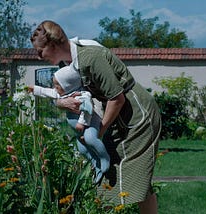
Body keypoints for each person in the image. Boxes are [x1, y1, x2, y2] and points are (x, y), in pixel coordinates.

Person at [30, 20, 161, 213]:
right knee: (128, 178)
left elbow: (117, 98)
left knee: (118, 174)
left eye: (40, 51)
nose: (39, 57)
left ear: (53, 45)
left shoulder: (90, 57)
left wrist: (100, 131)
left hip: (137, 115)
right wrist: (60, 102)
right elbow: (64, 95)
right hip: (119, 116)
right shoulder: (70, 64)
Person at [28, 65, 110, 185]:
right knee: (82, 149)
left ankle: (104, 158)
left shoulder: (82, 95)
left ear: (69, 85)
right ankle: (95, 163)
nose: (55, 88)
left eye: (58, 85)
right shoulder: (62, 94)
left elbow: (88, 109)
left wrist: (82, 122)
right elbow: (47, 92)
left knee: (90, 139)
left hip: (90, 124)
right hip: (79, 130)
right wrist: (34, 89)